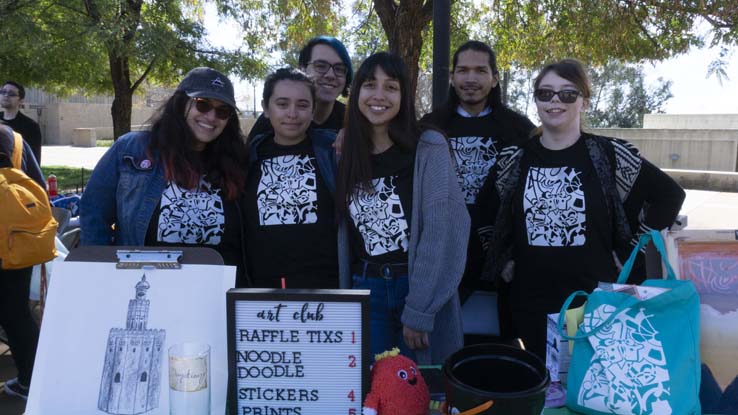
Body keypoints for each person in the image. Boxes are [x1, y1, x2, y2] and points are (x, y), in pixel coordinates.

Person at [476, 58, 686, 360]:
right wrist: (502, 260)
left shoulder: (610, 154)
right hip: (531, 303)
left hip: (597, 302)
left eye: (567, 93)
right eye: (545, 93)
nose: (555, 101)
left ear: (584, 101)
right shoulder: (514, 159)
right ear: (535, 100)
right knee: (545, 392)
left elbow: (669, 195)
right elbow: (484, 213)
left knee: (592, 391)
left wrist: (630, 252)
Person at [336, 52, 469, 365]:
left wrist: (419, 309)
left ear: (404, 96)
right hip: (366, 290)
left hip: (415, 288)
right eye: (370, 85)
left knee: (418, 391)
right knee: (376, 391)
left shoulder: (429, 146)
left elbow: (442, 231)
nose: (379, 95)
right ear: (356, 94)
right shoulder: (344, 152)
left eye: (391, 87)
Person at [80, 67, 250, 287]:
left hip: (215, 292)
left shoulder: (237, 161)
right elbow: (94, 213)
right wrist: (104, 275)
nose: (211, 117)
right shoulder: (132, 149)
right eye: (203, 104)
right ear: (181, 104)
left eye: (222, 111)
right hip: (147, 287)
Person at [421, 40, 535, 339]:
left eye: (480, 70)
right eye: (463, 70)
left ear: (494, 78)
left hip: (501, 259)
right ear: (452, 77)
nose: (470, 78)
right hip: (445, 253)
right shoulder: (430, 127)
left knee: (501, 349)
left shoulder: (519, 129)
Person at [244, 68, 338, 288]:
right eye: (282, 104)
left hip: (327, 293)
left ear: (314, 109)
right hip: (260, 294)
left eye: (302, 105)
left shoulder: (333, 152)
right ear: (266, 108)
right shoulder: (248, 157)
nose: (292, 113)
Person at [0, 123, 45, 400]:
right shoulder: (13, 139)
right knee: (15, 314)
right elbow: (37, 189)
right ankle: (32, 380)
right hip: (15, 240)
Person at [247, 36, 352, 140]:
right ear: (302, 70)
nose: (331, 75)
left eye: (339, 69)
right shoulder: (273, 120)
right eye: (320, 66)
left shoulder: (352, 120)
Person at [1, 81, 43, 163]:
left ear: (21, 100)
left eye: (11, 94)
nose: (6, 95)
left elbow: (34, 161)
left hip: (15, 174)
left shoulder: (31, 126)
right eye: (3, 92)